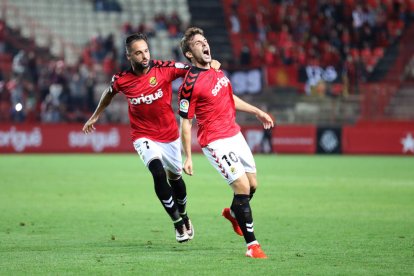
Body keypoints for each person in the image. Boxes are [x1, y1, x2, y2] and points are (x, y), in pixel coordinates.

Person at [83, 33, 219, 243]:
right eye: (138, 53)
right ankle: (177, 223)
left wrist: (210, 65)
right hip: (143, 135)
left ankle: (183, 215)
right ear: (129, 56)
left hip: (169, 135)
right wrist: (95, 116)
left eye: (146, 50)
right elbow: (108, 94)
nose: (144, 56)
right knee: (157, 172)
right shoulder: (122, 80)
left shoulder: (163, 69)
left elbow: (191, 68)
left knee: (176, 179)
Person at [178, 27, 274, 258]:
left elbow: (229, 97)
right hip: (215, 141)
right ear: (189, 54)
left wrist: (256, 112)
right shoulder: (189, 85)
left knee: (252, 185)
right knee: (241, 187)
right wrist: (188, 156)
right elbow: (185, 123)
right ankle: (252, 246)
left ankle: (233, 213)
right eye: (198, 43)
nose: (204, 44)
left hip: (234, 134)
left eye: (205, 40)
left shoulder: (216, 69)